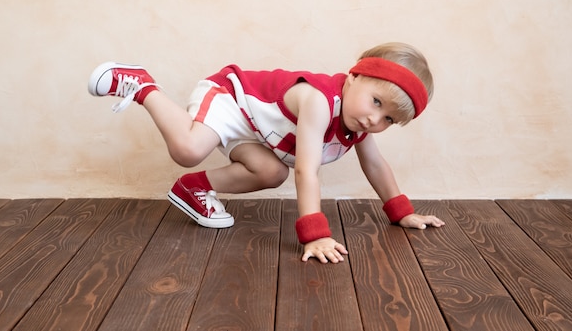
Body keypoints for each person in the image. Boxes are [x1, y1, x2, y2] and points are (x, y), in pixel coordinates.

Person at [88, 42, 445, 264]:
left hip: (260, 132)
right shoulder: (320, 102)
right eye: (376, 101)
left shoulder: (358, 124)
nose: (374, 118)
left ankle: (192, 188)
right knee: (188, 148)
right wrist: (314, 233)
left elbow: (376, 165)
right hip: (234, 98)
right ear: (353, 78)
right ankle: (143, 85)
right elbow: (306, 171)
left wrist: (402, 213)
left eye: (388, 119)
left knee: (272, 173)